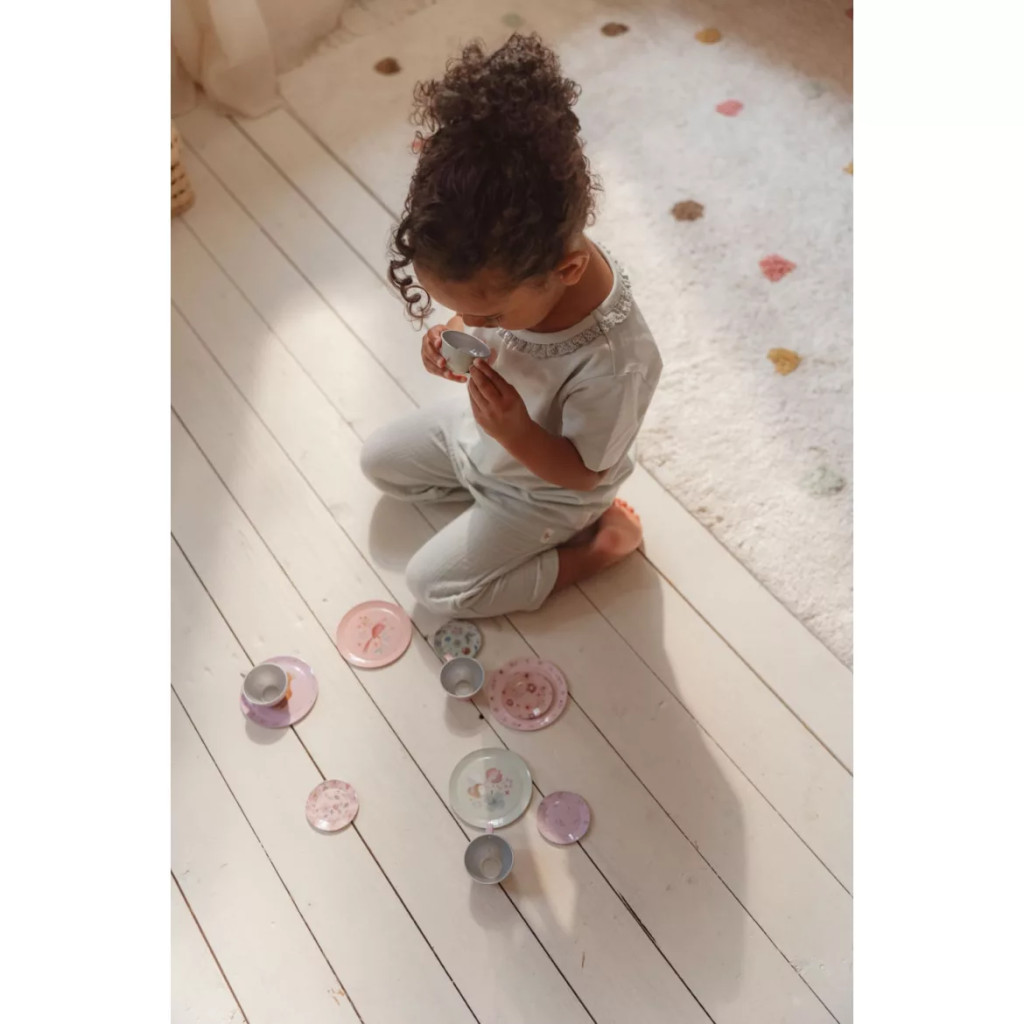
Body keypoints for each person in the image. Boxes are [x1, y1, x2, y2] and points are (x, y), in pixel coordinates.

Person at [361, 33, 662, 618]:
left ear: (566, 270)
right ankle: (482, 496)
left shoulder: (614, 362)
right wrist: (452, 336)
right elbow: (485, 320)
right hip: (484, 440)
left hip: (546, 492)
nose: (471, 323)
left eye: (489, 317)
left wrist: (517, 432)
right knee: (380, 461)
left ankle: (597, 549)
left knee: (434, 588)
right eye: (457, 309)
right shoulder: (521, 262)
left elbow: (584, 475)